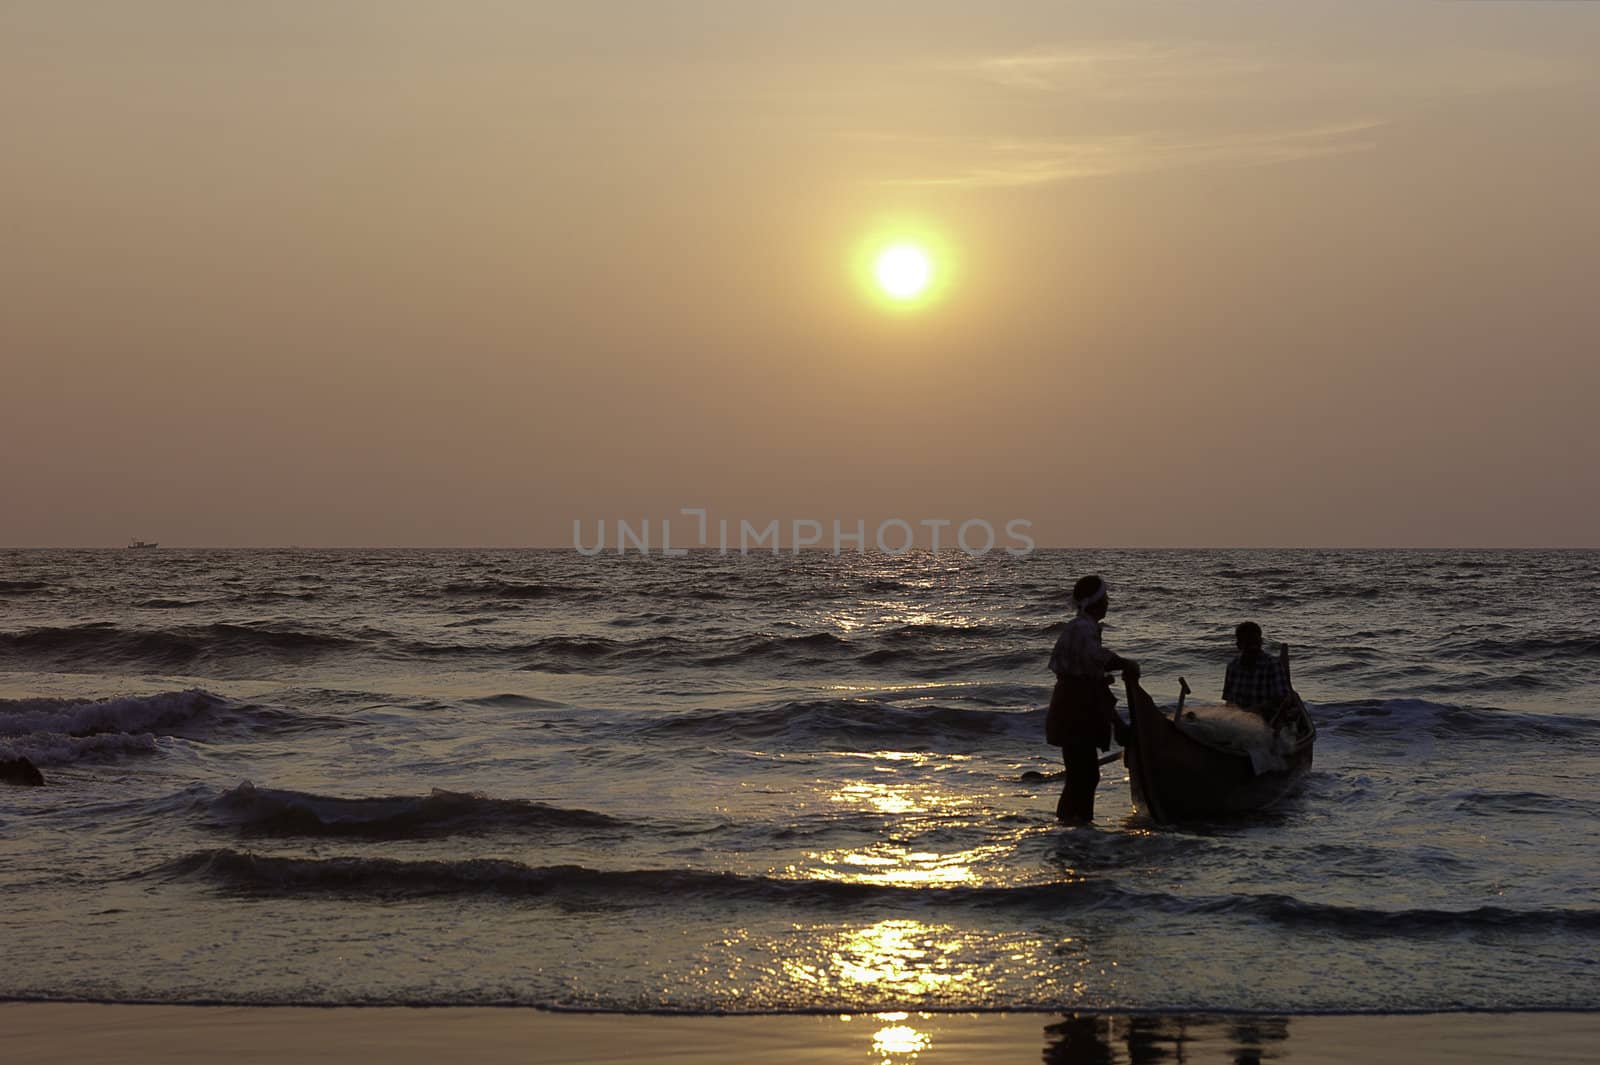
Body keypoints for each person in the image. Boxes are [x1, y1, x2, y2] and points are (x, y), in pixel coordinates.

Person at [1046, 574, 1137, 824]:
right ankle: (1077, 827)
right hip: (1076, 709)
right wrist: (1127, 664)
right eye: (1105, 598)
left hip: (1075, 706)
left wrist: (1117, 723)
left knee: (1082, 774)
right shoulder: (1082, 629)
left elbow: (1096, 680)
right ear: (1097, 602)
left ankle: (1073, 826)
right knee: (1083, 775)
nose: (1108, 602)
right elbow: (1099, 661)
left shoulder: (1082, 627)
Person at [1222, 621, 1290, 717]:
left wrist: (1253, 711)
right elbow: (1229, 700)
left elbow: (1282, 699)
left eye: (1255, 642)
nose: (1253, 647)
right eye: (1248, 644)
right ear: (1239, 645)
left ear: (1261, 642)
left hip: (1265, 720)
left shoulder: (1272, 665)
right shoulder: (1233, 666)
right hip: (1237, 719)